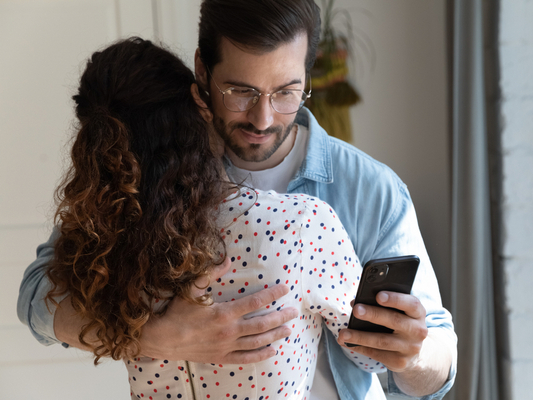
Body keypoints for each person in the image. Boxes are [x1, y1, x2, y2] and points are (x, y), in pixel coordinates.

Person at [18, 1, 457, 399]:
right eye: (241, 91)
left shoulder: (371, 189)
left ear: (307, 77)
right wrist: (155, 336)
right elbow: (37, 298)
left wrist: (413, 355)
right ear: (202, 73)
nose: (263, 118)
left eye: (286, 92)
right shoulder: (148, 175)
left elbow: (438, 367)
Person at [43, 37, 378, 399]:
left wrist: (149, 336)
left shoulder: (104, 242)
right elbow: (372, 355)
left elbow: (35, 302)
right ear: (200, 109)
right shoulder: (302, 224)